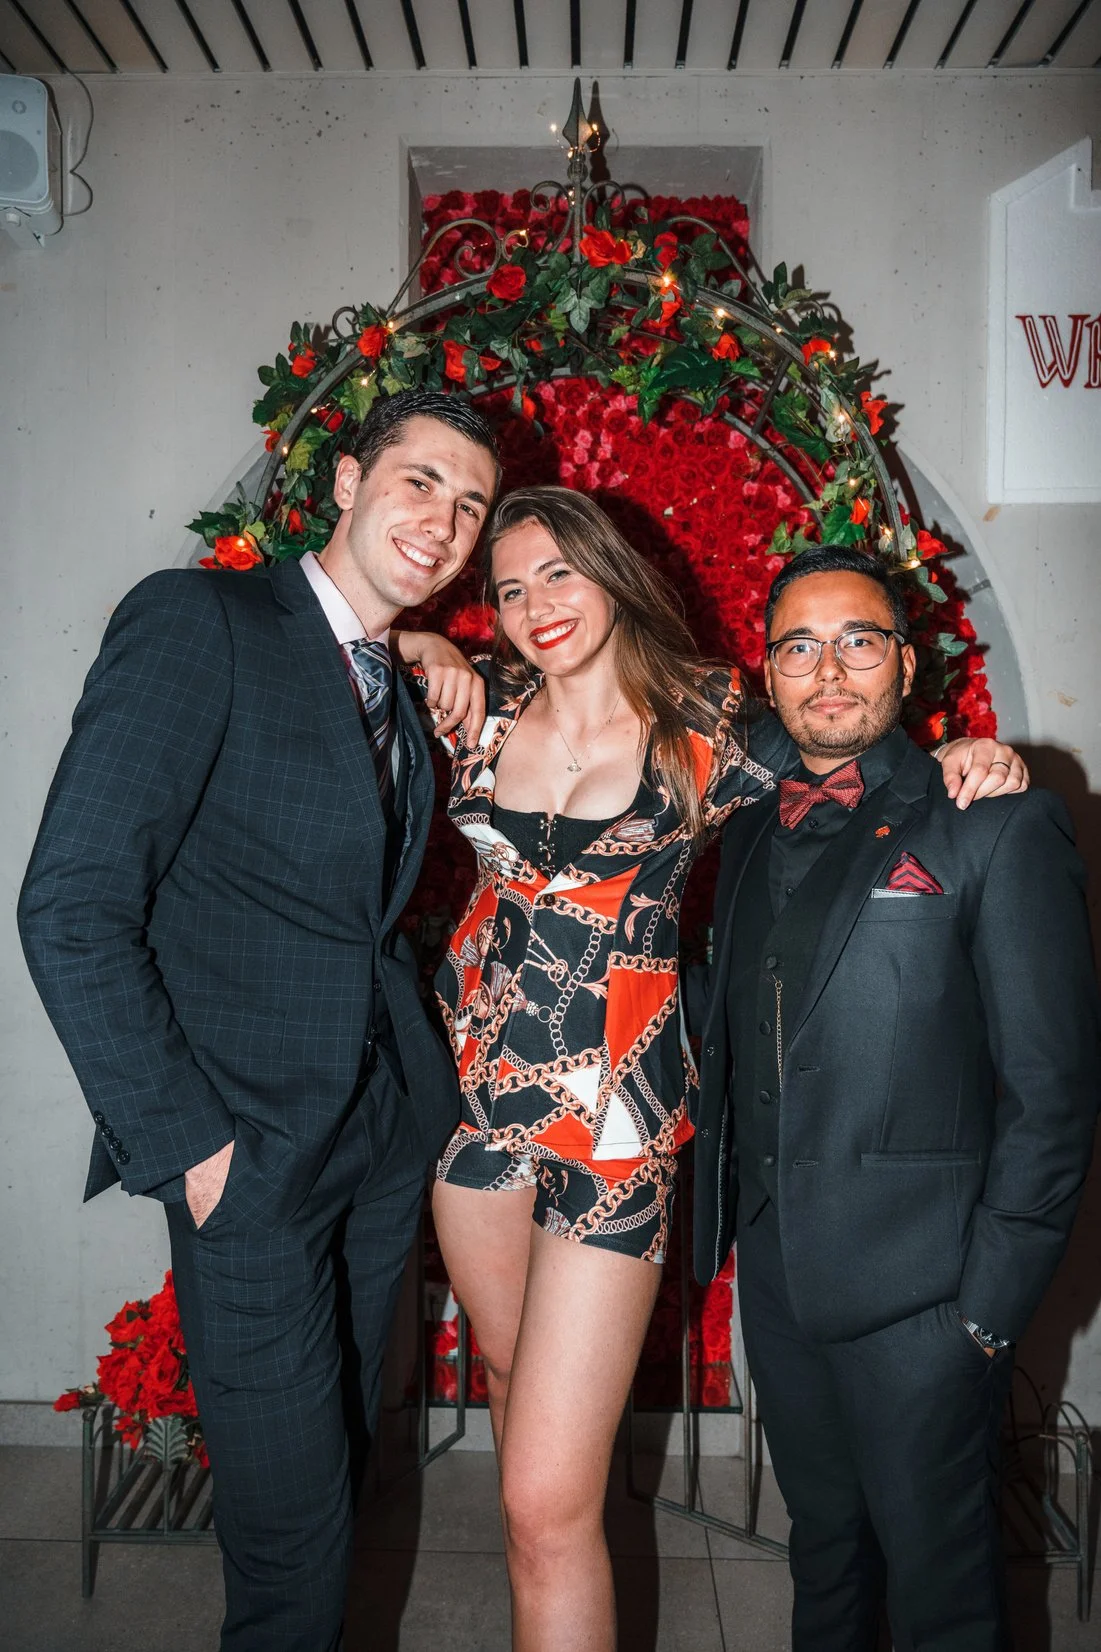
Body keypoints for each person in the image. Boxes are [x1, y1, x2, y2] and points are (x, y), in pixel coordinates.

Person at [408, 489, 1028, 1652]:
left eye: (560, 573)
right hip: (480, 1127)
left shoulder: (708, 719)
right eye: (508, 588)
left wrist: (961, 751)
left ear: (611, 570)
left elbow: (854, 740)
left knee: (551, 1498)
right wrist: (422, 640)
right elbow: (349, 636)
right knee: (510, 1424)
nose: (538, 604)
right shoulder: (476, 709)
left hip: (616, 1135)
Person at [18, 387, 499, 1652]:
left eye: (470, 505)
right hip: (248, 1156)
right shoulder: (200, 621)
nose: (443, 521)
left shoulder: (396, 680)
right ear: (345, 481)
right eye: (418, 482)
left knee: (341, 1464)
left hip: (376, 1140)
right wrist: (190, 1148)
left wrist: (435, 656)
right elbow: (69, 903)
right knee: (293, 1543)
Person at [691, 544, 1100, 1651]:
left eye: (859, 639)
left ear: (905, 665)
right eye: (799, 646)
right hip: (777, 1272)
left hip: (930, 1300)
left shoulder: (991, 820)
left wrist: (985, 1313)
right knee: (822, 1555)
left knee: (942, 1594)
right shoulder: (739, 817)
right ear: (767, 676)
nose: (830, 668)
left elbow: (1053, 1094)